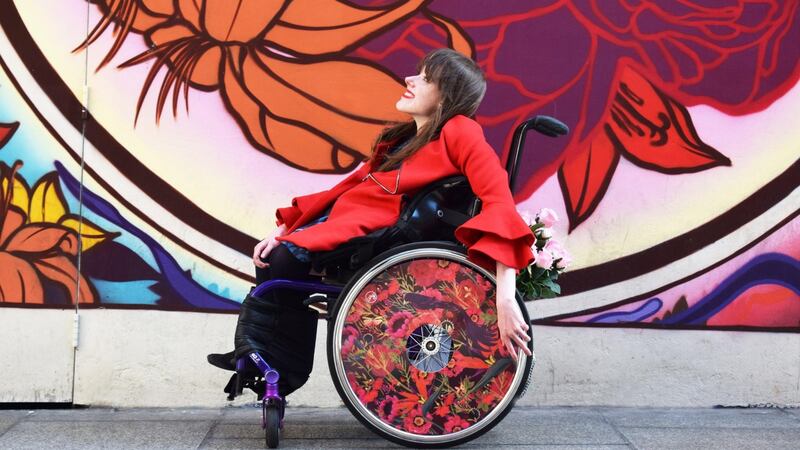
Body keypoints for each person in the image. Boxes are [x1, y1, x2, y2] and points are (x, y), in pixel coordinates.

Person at [208, 48, 535, 399]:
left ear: (446, 96)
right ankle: (267, 361)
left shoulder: (460, 131)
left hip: (376, 236)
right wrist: (286, 228)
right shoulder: (401, 139)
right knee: (274, 260)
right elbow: (345, 188)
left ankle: (273, 365)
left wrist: (504, 295)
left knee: (281, 263)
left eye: (425, 79)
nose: (410, 80)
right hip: (342, 221)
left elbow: (499, 202)